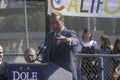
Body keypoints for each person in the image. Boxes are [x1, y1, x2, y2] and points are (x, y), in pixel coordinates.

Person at [42, 12, 79, 80]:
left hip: (67, 73)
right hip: (51, 73)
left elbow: (76, 40)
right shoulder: (49, 35)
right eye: (52, 23)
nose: (54, 25)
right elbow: (46, 53)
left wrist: (68, 40)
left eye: (56, 22)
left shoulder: (69, 33)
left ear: (62, 20)